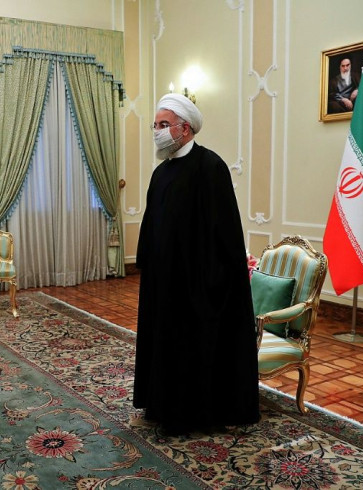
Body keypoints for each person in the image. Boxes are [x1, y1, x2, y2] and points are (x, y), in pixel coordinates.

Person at [133, 93, 260, 434]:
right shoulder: (162, 171)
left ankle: (192, 414)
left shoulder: (211, 167)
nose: (157, 131)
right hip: (163, 281)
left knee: (192, 349)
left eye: (163, 125)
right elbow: (151, 222)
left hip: (198, 284)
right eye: (155, 125)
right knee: (165, 346)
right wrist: (147, 262)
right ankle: (162, 405)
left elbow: (225, 231)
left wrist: (214, 279)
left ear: (185, 128)